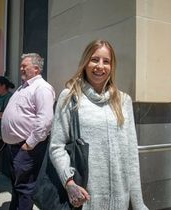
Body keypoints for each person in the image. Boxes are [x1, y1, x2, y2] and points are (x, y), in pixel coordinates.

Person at [49, 40, 148, 209]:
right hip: (85, 200)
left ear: (112, 66)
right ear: (85, 62)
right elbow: (56, 146)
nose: (100, 66)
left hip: (120, 202)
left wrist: (139, 204)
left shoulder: (123, 100)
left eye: (106, 61)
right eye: (95, 59)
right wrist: (69, 182)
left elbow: (131, 155)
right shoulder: (70, 97)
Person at [1, 53, 55, 210]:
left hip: (26, 147)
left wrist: (29, 144)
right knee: (16, 184)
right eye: (21, 65)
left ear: (36, 69)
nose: (21, 68)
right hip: (13, 146)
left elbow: (45, 121)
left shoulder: (42, 88)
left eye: (25, 66)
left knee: (25, 188)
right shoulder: (23, 87)